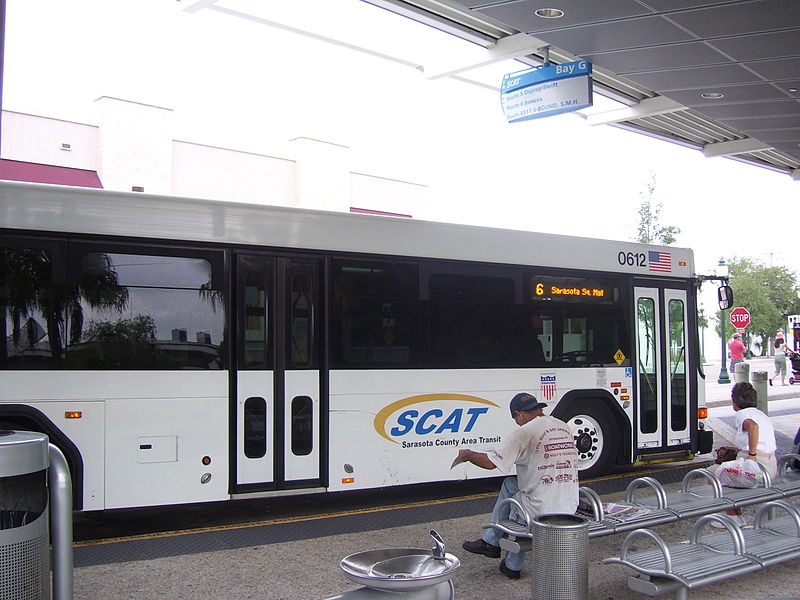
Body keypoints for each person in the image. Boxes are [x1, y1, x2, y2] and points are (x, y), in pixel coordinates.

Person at [458, 392, 579, 579]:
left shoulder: (523, 432)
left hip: (541, 510)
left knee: (519, 506)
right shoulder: (562, 426)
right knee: (511, 485)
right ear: (538, 409)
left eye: (516, 419)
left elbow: (491, 463)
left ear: (519, 414)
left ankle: (492, 544)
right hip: (569, 504)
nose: (517, 423)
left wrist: (468, 455)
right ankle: (505, 560)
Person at [711, 381, 778, 527]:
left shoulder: (742, 414)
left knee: (713, 474)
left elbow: (753, 427)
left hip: (758, 470)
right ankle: (736, 515)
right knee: (730, 473)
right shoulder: (760, 413)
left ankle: (733, 517)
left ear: (734, 402)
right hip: (770, 466)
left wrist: (752, 455)